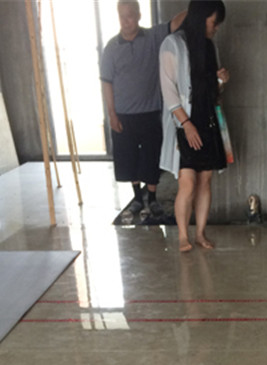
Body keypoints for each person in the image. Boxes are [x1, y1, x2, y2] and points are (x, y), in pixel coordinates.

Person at [100, 1, 186, 219]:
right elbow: (106, 82)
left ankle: (153, 198)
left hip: (150, 112)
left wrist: (197, 6)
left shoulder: (153, 37)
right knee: (129, 158)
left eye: (129, 15)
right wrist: (111, 114)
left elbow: (175, 23)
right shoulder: (111, 48)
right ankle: (137, 198)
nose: (125, 21)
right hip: (122, 115)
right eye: (121, 16)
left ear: (139, 15)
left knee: (151, 157)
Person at [159, 0, 230, 251]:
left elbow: (212, 91)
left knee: (205, 179)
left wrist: (221, 81)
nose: (216, 28)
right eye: (214, 22)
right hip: (184, 122)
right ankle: (182, 236)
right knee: (187, 181)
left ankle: (200, 233)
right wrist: (186, 124)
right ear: (201, 17)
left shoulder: (210, 47)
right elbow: (169, 92)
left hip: (208, 119)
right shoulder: (172, 45)